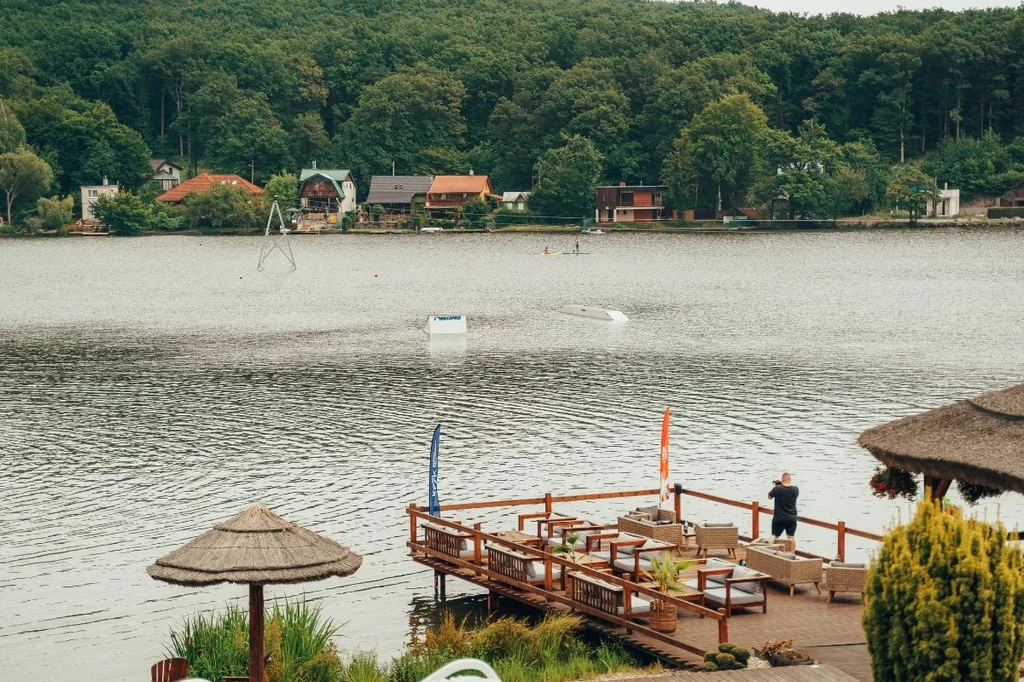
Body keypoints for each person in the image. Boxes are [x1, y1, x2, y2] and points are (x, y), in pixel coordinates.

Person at [768, 473, 799, 550]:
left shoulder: (777, 489)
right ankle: (792, 555)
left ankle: (772, 554)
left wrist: (775, 486)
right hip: (792, 518)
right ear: (790, 479)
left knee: (774, 537)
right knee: (791, 537)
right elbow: (787, 491)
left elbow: (769, 496)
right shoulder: (795, 489)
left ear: (782, 480)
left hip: (779, 518)